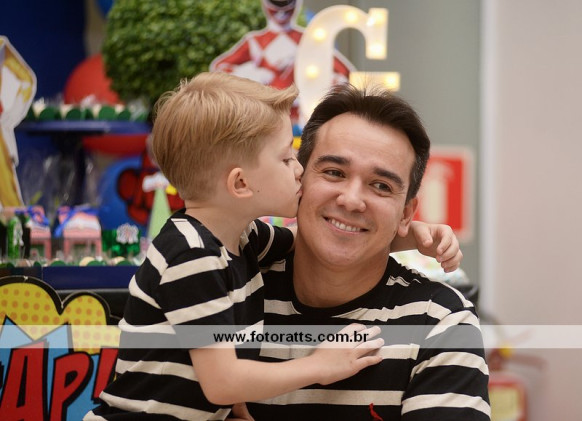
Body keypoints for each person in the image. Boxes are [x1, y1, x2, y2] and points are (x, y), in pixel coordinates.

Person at [84, 72, 460, 421]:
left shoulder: (241, 238)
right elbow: (221, 382)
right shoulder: (191, 256)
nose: (297, 169)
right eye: (286, 158)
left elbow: (314, 238)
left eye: (381, 186)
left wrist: (409, 234)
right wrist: (319, 365)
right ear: (241, 184)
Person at [246, 83, 491, 420]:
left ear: (406, 213)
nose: (351, 200)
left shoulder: (441, 323)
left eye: (381, 186)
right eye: (334, 172)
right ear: (298, 180)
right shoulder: (230, 285)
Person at [209, 0, 354, 126]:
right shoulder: (255, 41)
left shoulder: (307, 39)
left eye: (286, 7)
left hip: (301, 117)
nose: (281, 13)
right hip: (265, 116)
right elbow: (219, 67)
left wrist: (326, 85)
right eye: (276, 7)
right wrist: (251, 75)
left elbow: (344, 72)